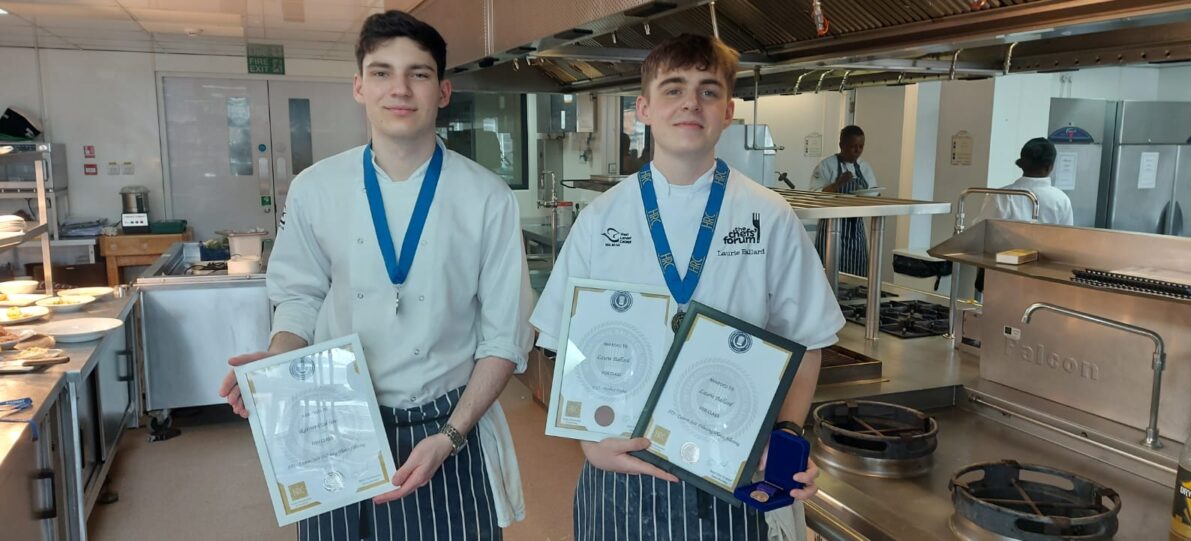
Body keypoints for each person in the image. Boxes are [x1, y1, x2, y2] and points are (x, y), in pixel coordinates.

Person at [217, 10, 532, 540]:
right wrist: (277, 361)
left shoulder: (487, 199)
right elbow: (298, 295)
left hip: (446, 426)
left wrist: (451, 437)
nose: (400, 89)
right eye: (382, 72)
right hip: (335, 424)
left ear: (444, 90)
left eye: (420, 73)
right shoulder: (317, 188)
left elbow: (504, 339)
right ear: (360, 86)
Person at [530, 34, 844, 540]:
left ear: (728, 110)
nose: (691, 104)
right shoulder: (602, 217)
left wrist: (785, 433)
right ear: (645, 108)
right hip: (620, 469)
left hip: (733, 472)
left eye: (708, 91)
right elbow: (565, 341)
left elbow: (808, 340)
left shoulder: (769, 215)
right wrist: (588, 442)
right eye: (674, 89)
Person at [973, 137, 1074, 293]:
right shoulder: (1061, 200)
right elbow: (1066, 243)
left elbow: (978, 232)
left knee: (996, 315)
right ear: (1049, 167)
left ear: (1022, 165)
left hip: (1000, 276)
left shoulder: (1000, 195)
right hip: (1042, 279)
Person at [810, 125, 878, 277]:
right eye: (853, 146)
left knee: (858, 278)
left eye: (861, 146)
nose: (857, 151)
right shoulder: (827, 165)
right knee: (827, 275)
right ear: (842, 145)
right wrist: (838, 184)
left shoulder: (865, 167)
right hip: (830, 229)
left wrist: (875, 197)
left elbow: (873, 194)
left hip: (856, 230)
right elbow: (814, 195)